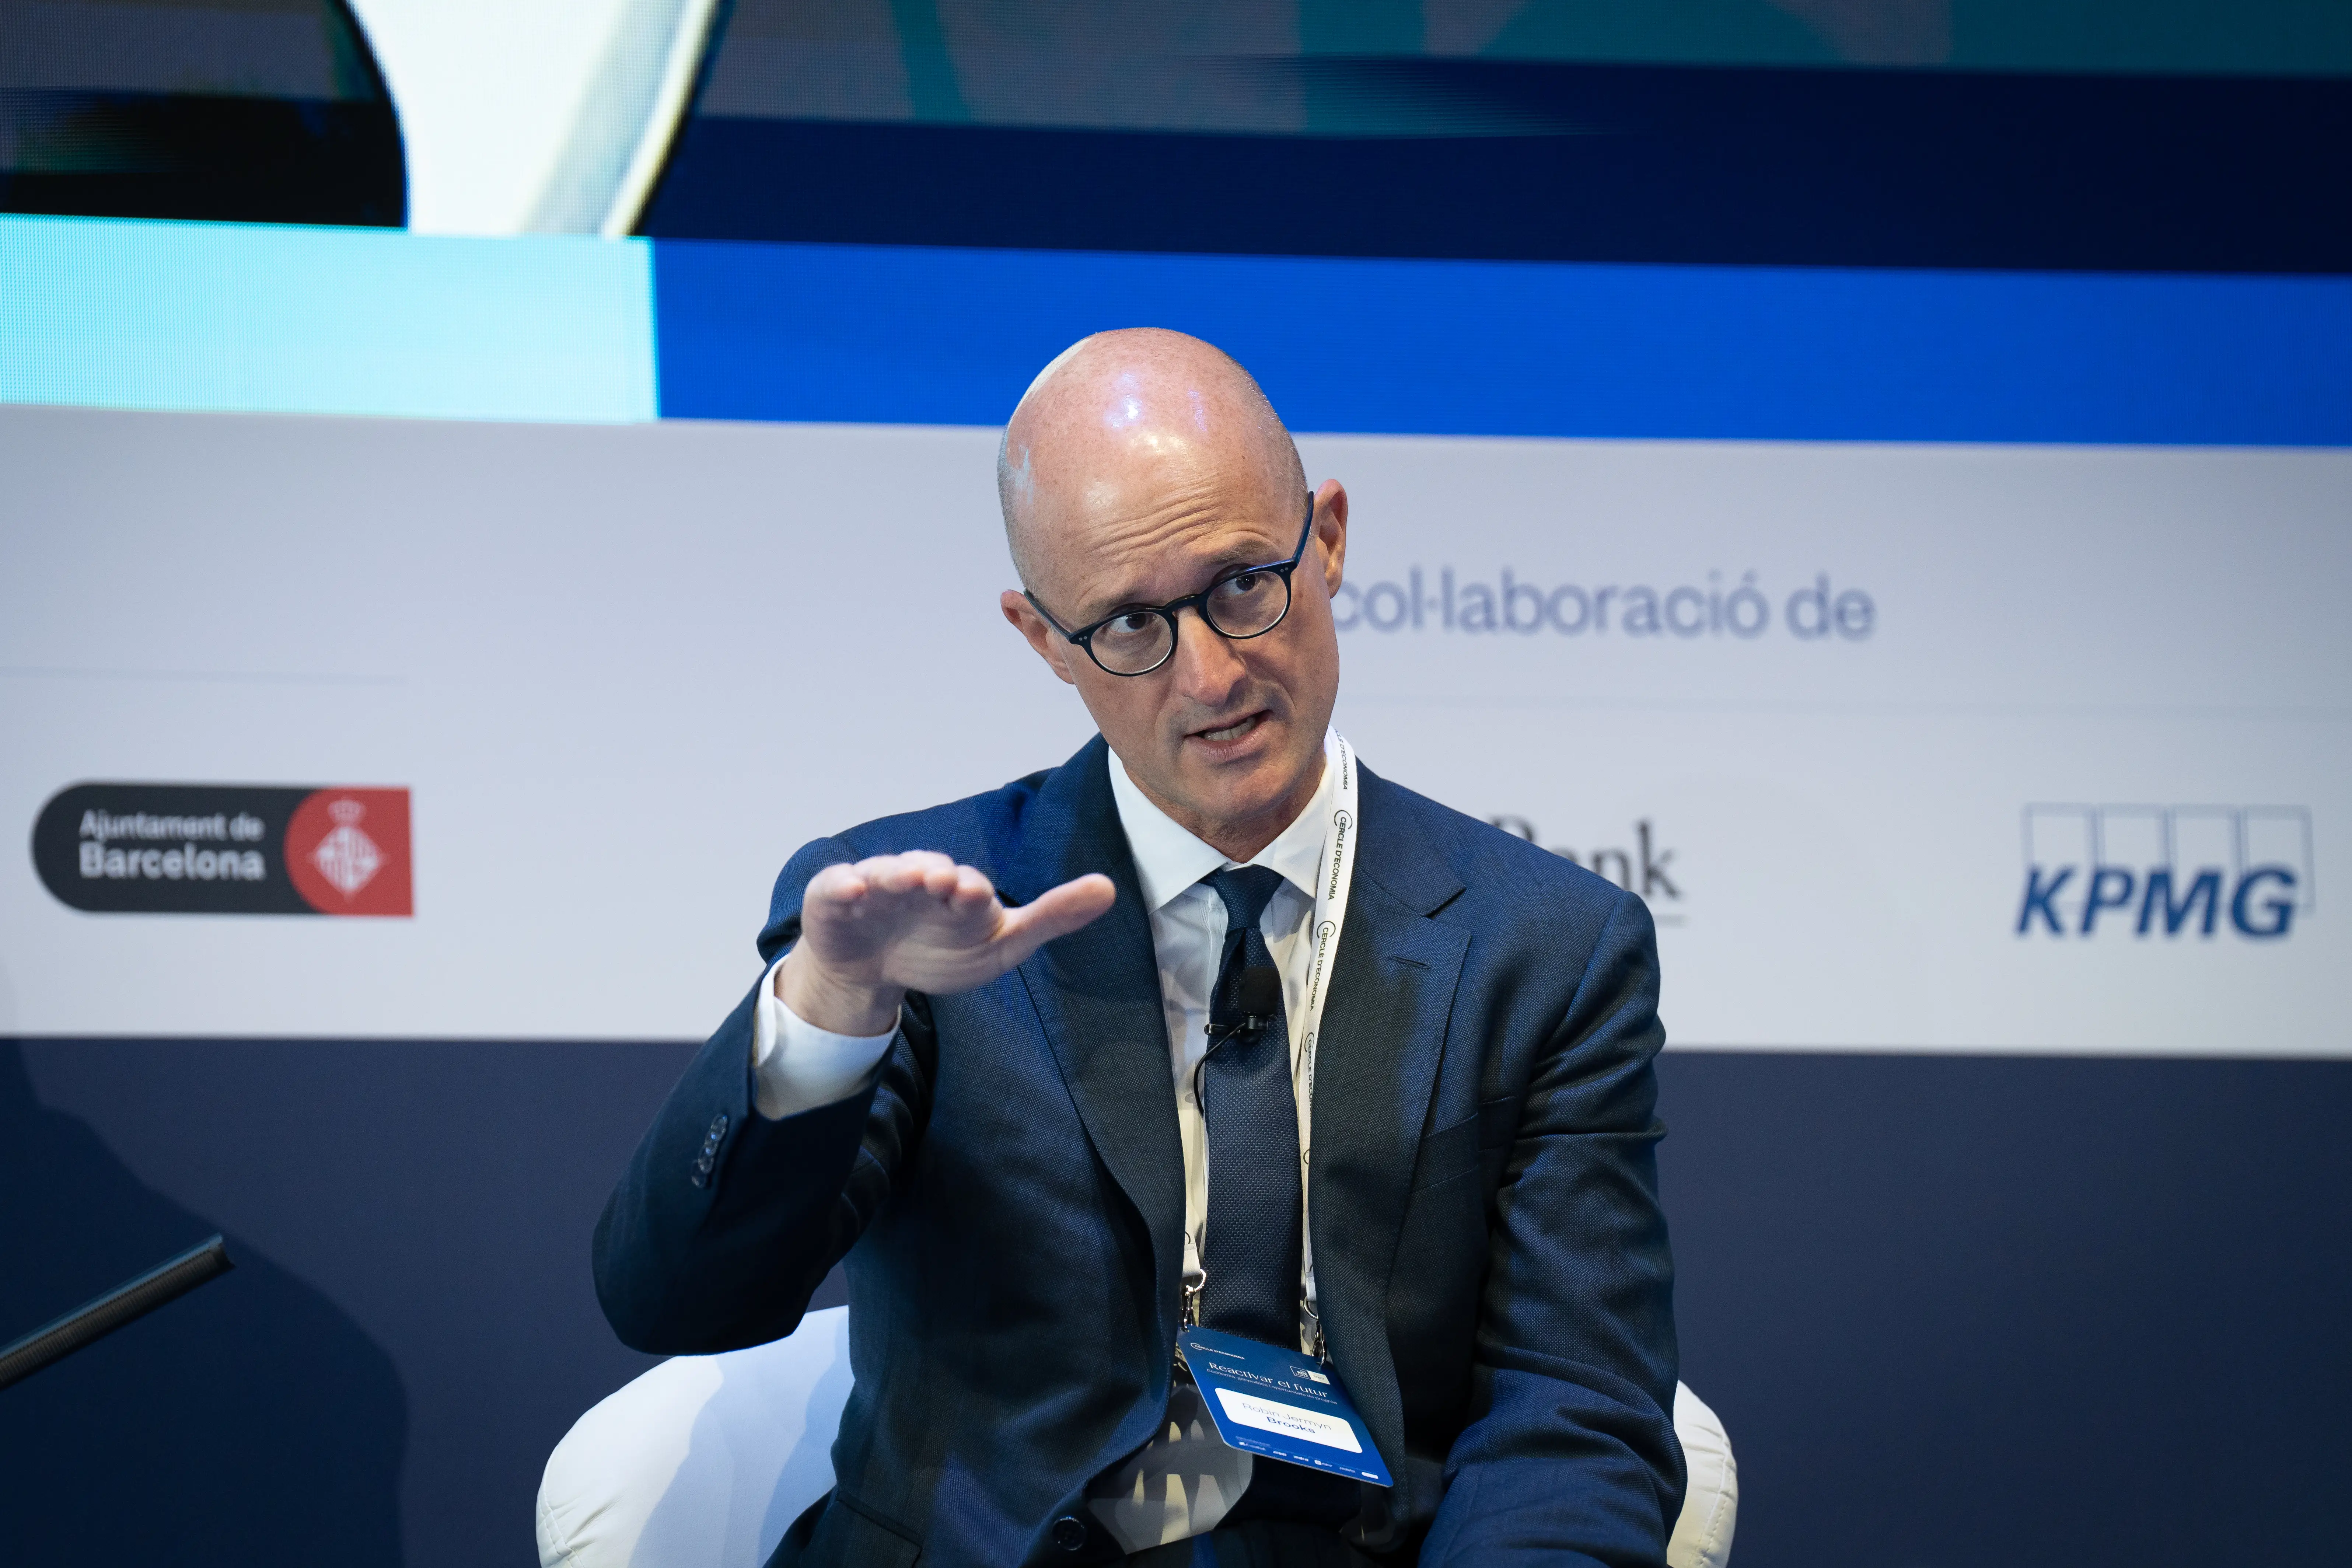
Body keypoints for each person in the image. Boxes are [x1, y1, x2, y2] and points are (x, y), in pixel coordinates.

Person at [595, 329, 1683, 1567]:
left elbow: (1571, 1412)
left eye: (1238, 586)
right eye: (1126, 625)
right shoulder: (922, 921)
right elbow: (675, 1299)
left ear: (1324, 538)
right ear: (1043, 639)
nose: (1211, 676)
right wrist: (835, 1009)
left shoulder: (1544, 947)